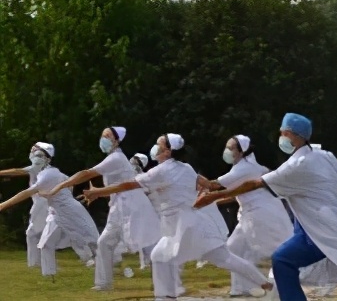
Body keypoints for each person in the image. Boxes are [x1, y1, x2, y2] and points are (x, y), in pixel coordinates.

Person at [193, 113, 337, 301]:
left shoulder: (296, 165)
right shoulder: (324, 156)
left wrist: (214, 197)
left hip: (329, 228)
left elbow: (255, 183)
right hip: (310, 232)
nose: (281, 136)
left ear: (294, 135)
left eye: (283, 132)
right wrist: (325, 193)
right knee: (283, 260)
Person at [82, 134, 273, 300]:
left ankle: (165, 298)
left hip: (182, 226)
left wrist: (99, 191)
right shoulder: (186, 167)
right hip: (194, 222)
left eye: (159, 145)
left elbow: (128, 185)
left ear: (168, 151)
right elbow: (207, 183)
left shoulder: (162, 170)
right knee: (223, 258)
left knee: (160, 257)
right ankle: (265, 283)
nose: (156, 148)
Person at [41, 126, 162, 291]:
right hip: (119, 208)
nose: (103, 139)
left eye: (108, 136)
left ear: (116, 140)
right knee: (104, 243)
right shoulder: (113, 158)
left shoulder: (117, 158)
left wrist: (59, 186)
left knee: (148, 245)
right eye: (103, 135)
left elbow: (87, 173)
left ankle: (163, 281)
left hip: (134, 208)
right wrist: (97, 194)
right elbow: (115, 188)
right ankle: (104, 284)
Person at [197, 134, 292, 297]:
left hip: (262, 214)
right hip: (249, 214)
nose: (227, 151)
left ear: (241, 151)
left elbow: (213, 185)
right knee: (234, 249)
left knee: (275, 250)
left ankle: (283, 284)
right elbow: (237, 194)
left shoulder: (244, 168)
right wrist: (213, 202)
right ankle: (241, 288)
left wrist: (190, 177)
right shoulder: (244, 168)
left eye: (231, 148)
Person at [0, 142, 99, 277]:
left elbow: (26, 192)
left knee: (88, 239)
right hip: (56, 212)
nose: (34, 156)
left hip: (69, 211)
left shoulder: (48, 174)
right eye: (34, 153)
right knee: (46, 243)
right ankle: (48, 274)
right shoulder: (44, 171)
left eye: (39, 154)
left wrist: (3, 205)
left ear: (47, 159)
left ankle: (101, 263)